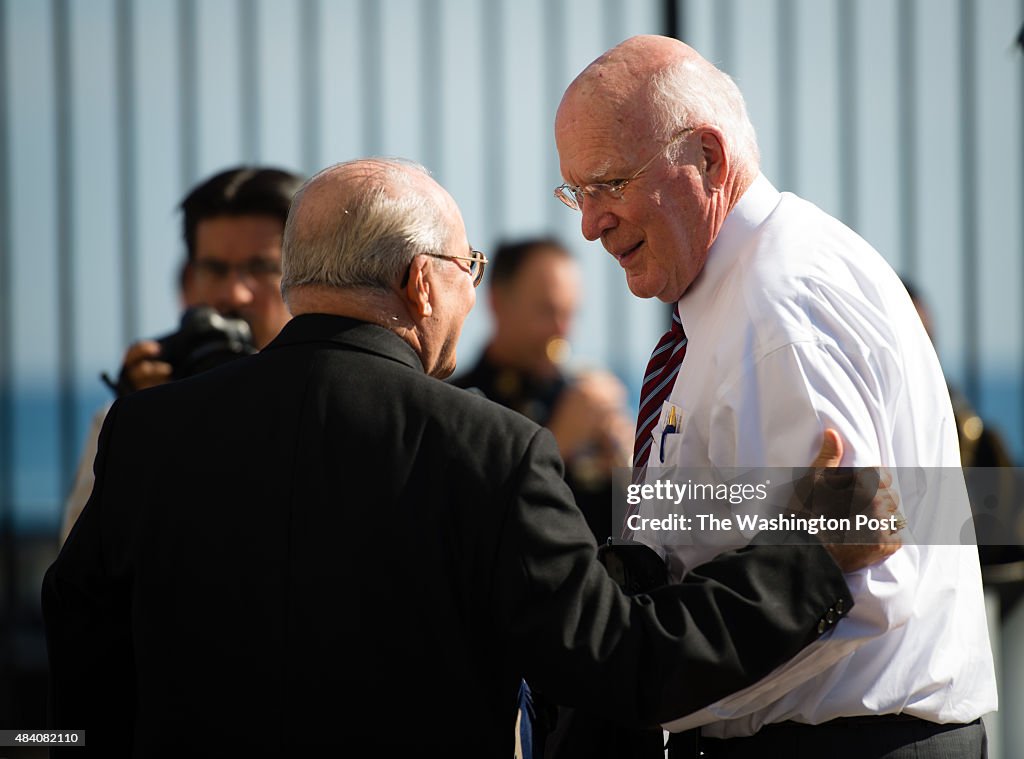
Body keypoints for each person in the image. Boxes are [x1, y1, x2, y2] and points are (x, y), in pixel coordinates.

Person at [44, 158, 897, 757]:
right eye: (469, 268)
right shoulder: (491, 446)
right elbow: (623, 664)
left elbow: (80, 656)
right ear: (423, 283)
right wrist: (812, 553)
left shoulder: (145, 432)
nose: (470, 289)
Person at [554, 35, 996, 757]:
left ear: (707, 158)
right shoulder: (746, 294)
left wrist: (653, 690)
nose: (589, 221)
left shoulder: (779, 309)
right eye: (577, 191)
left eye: (610, 182)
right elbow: (734, 530)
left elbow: (863, 577)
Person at [60, 166, 303, 543]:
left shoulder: (334, 403)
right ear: (189, 280)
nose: (234, 294)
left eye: (262, 268)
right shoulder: (130, 413)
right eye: (215, 269)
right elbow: (81, 568)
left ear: (306, 276)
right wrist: (140, 433)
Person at [452, 236, 633, 544]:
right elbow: (467, 523)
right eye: (547, 311)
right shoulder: (458, 402)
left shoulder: (575, 393)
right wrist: (558, 444)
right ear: (497, 303)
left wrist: (630, 468)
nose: (563, 331)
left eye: (569, 313)